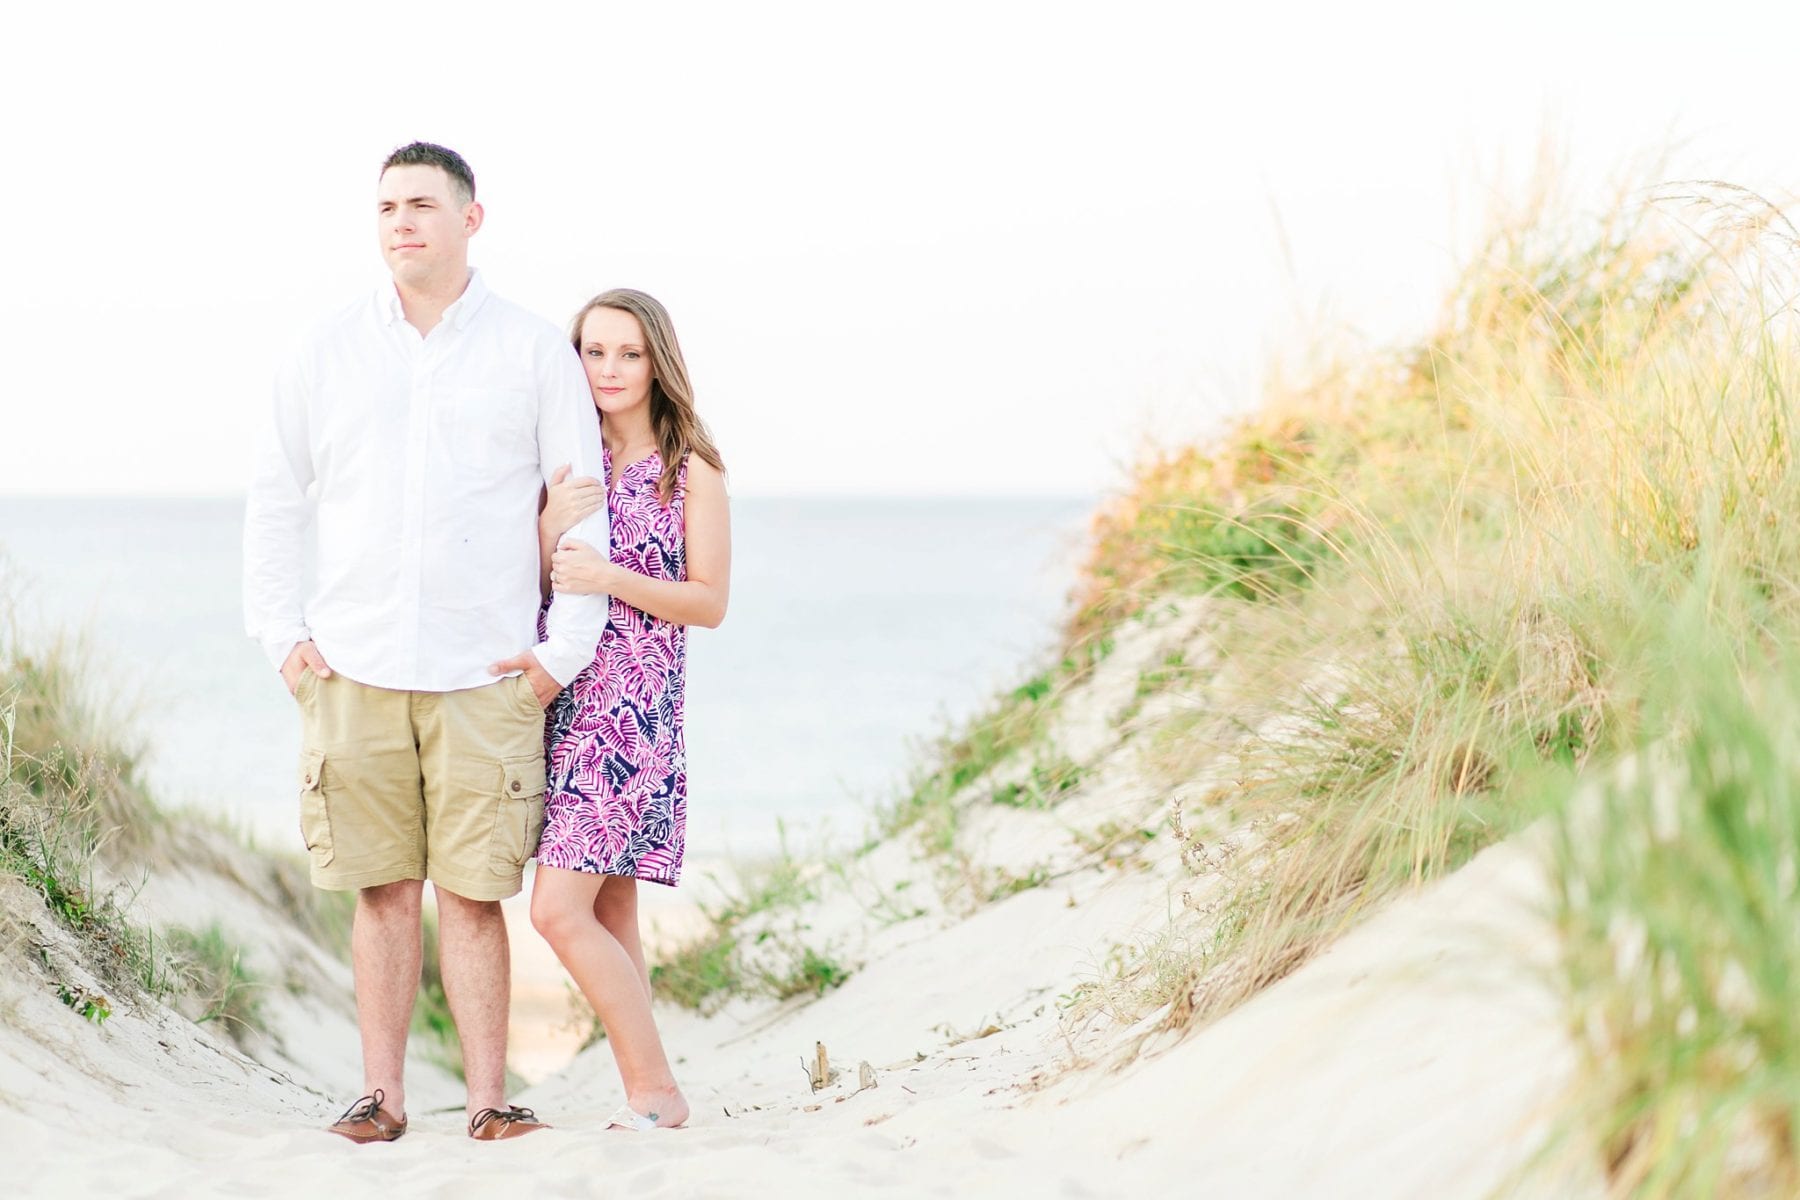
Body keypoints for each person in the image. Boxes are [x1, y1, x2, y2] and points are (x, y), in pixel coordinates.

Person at [242, 142, 610, 1143]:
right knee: (382, 893)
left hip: (486, 673)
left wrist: (557, 657)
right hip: (351, 667)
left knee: (477, 894)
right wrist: (282, 638)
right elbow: (276, 503)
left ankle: (490, 1099)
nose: (402, 222)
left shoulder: (533, 350)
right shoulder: (325, 350)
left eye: (422, 205)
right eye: (388, 207)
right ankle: (384, 1096)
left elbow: (583, 511)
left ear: (470, 219)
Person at [530, 288, 730, 1131]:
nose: (608, 369)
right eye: (593, 351)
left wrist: (613, 580)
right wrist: (549, 529)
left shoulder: (693, 470)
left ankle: (659, 1093)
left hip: (633, 720)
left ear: (658, 363)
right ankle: (642, 1096)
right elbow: (540, 585)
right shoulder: (566, 466)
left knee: (554, 911)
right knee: (610, 911)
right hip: (564, 706)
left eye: (628, 353)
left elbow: (709, 601)